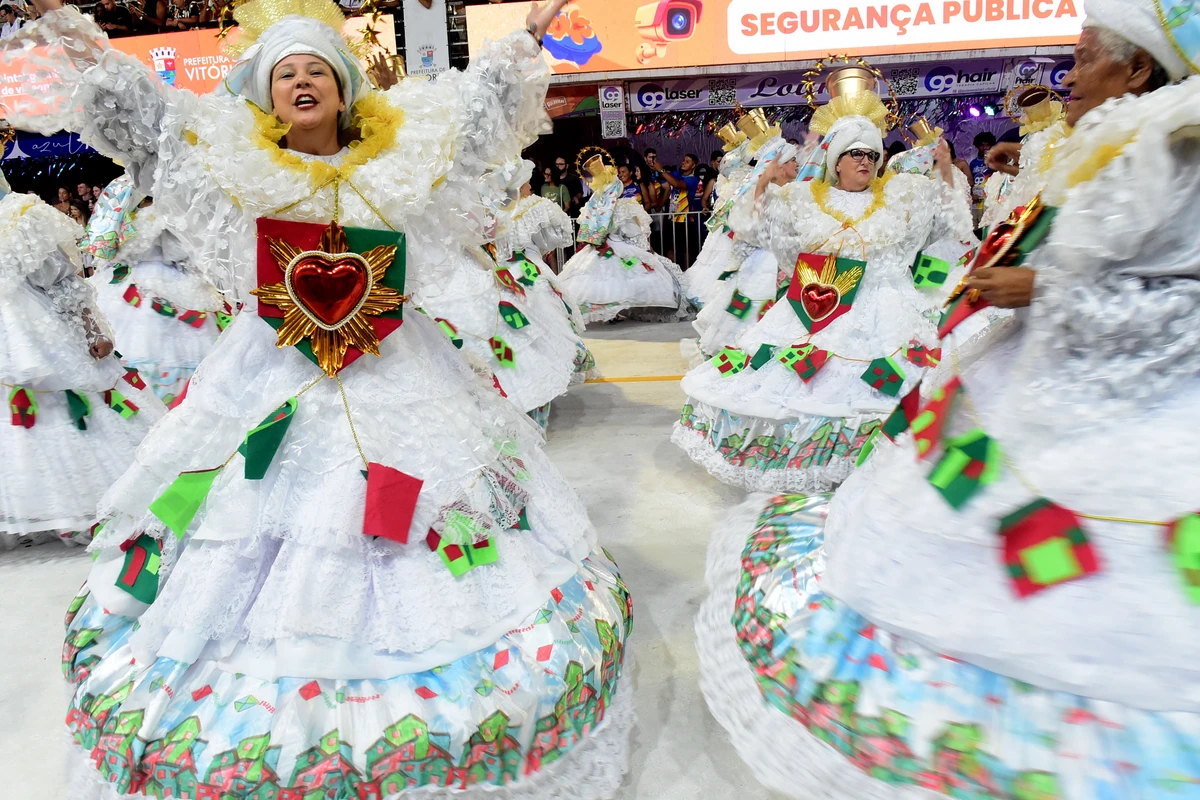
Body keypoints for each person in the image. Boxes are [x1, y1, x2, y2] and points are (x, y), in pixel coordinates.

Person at [17, 0, 635, 793]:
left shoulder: (401, 159)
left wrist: (528, 36)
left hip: (394, 364)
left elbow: (476, 112)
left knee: (414, 494)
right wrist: (76, 38)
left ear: (345, 90)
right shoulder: (232, 162)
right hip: (271, 369)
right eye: (285, 74)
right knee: (253, 505)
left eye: (318, 70)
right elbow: (149, 118)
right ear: (266, 96)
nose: (302, 82)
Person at [696, 3, 1200, 796]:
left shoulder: (1176, 147)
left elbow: (1174, 297)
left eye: (1083, 58)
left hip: (1119, 425)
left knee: (1078, 572)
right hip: (1028, 380)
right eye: (850, 154)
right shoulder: (1116, 143)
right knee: (957, 500)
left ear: (1137, 68)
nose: (1066, 77)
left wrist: (1038, 284)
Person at [674, 67, 972, 492]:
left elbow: (949, 224)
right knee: (801, 387)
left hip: (886, 306)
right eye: (856, 154)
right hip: (818, 305)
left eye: (872, 155)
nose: (865, 161)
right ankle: (820, 465)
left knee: (890, 390)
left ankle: (883, 468)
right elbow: (751, 228)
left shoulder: (902, 195)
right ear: (836, 160)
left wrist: (944, 173)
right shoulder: (803, 198)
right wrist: (763, 184)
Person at [0, 161, 165, 548]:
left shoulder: (22, 215)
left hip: (39, 335)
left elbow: (61, 279)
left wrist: (92, 327)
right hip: (16, 338)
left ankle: (96, 505)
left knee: (69, 407)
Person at [86, 182, 225, 403]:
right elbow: (177, 252)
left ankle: (143, 400)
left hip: (121, 280)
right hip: (163, 277)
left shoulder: (121, 216)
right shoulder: (161, 215)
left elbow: (110, 254)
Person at [557, 150, 692, 323]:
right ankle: (613, 311)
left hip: (594, 249)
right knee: (621, 279)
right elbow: (632, 233)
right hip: (618, 247)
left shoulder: (593, 207)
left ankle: (606, 312)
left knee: (600, 281)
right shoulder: (622, 207)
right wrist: (647, 249)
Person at [658, 151, 704, 267]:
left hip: (685, 219)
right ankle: (673, 271)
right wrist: (658, 169)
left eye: (687, 162)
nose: (683, 163)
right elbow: (663, 177)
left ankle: (686, 271)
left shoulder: (693, 179)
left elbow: (677, 184)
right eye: (683, 160)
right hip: (672, 217)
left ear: (693, 165)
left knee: (686, 248)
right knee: (669, 247)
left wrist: (662, 170)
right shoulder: (677, 173)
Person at [968, 130, 995, 220]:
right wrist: (972, 194)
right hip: (977, 199)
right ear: (977, 146)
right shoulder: (973, 163)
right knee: (977, 224)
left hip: (990, 198)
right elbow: (970, 181)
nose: (985, 148)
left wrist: (991, 162)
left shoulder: (995, 161)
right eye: (982, 145)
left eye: (987, 145)